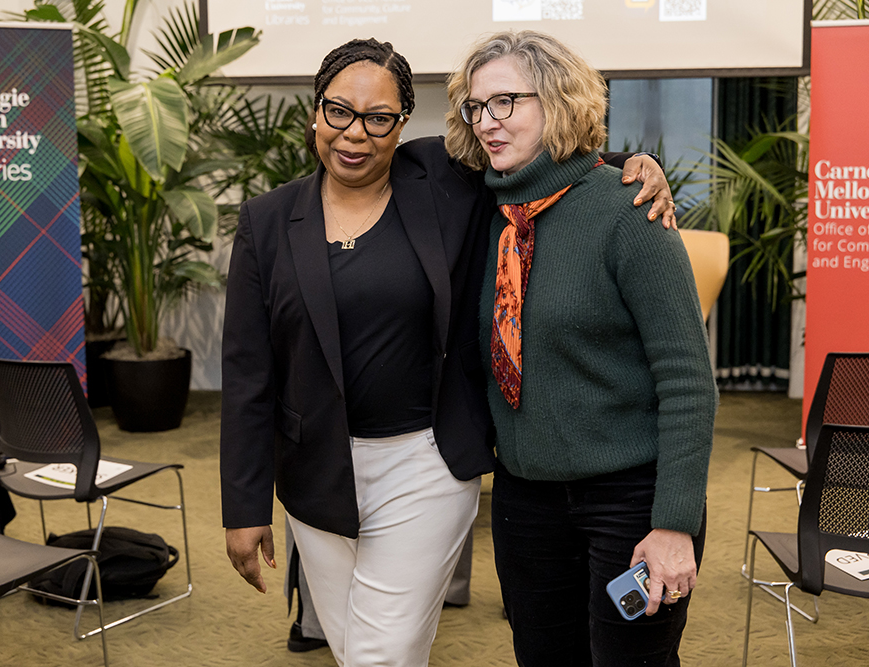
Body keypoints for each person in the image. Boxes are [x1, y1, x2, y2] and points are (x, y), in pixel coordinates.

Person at [221, 38, 675, 667]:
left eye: (379, 118)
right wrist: (243, 506)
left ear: (403, 124)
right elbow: (248, 374)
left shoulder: (439, 179)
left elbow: (542, 160)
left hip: (425, 462)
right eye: (338, 112)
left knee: (381, 650)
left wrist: (635, 162)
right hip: (317, 468)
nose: (355, 134)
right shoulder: (267, 221)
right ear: (314, 113)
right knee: (355, 644)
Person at [444, 31, 717, 667]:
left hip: (631, 499)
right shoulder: (482, 214)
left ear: (560, 100)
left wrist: (674, 523)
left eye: (506, 101)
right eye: (476, 107)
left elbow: (687, 381)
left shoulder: (629, 210)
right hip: (524, 498)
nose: (488, 121)